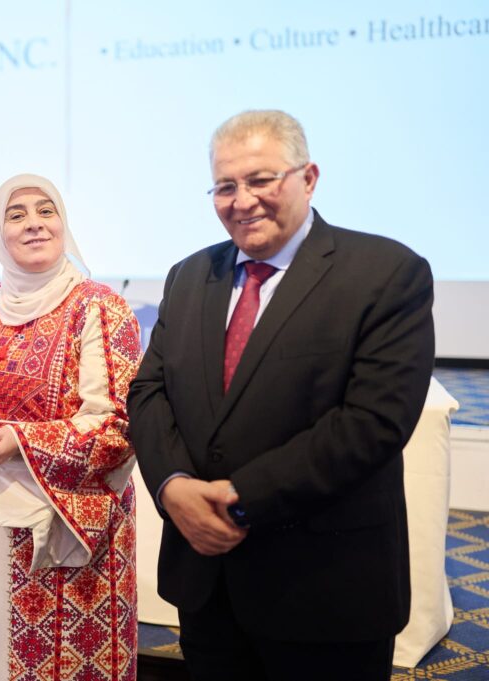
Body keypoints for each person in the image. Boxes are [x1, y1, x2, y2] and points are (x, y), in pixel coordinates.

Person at [128, 110, 435, 680]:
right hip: (208, 588)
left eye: (261, 179)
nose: (242, 201)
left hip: (325, 591)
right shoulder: (188, 276)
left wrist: (239, 498)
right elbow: (149, 391)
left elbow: (373, 423)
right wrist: (173, 487)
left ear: (308, 178)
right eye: (225, 186)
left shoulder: (386, 273)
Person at [0, 174, 141, 681]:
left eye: (45, 210)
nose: (33, 223)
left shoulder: (99, 307)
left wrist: (21, 441)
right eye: (16, 215)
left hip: (68, 525)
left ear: (63, 223)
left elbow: (118, 426)